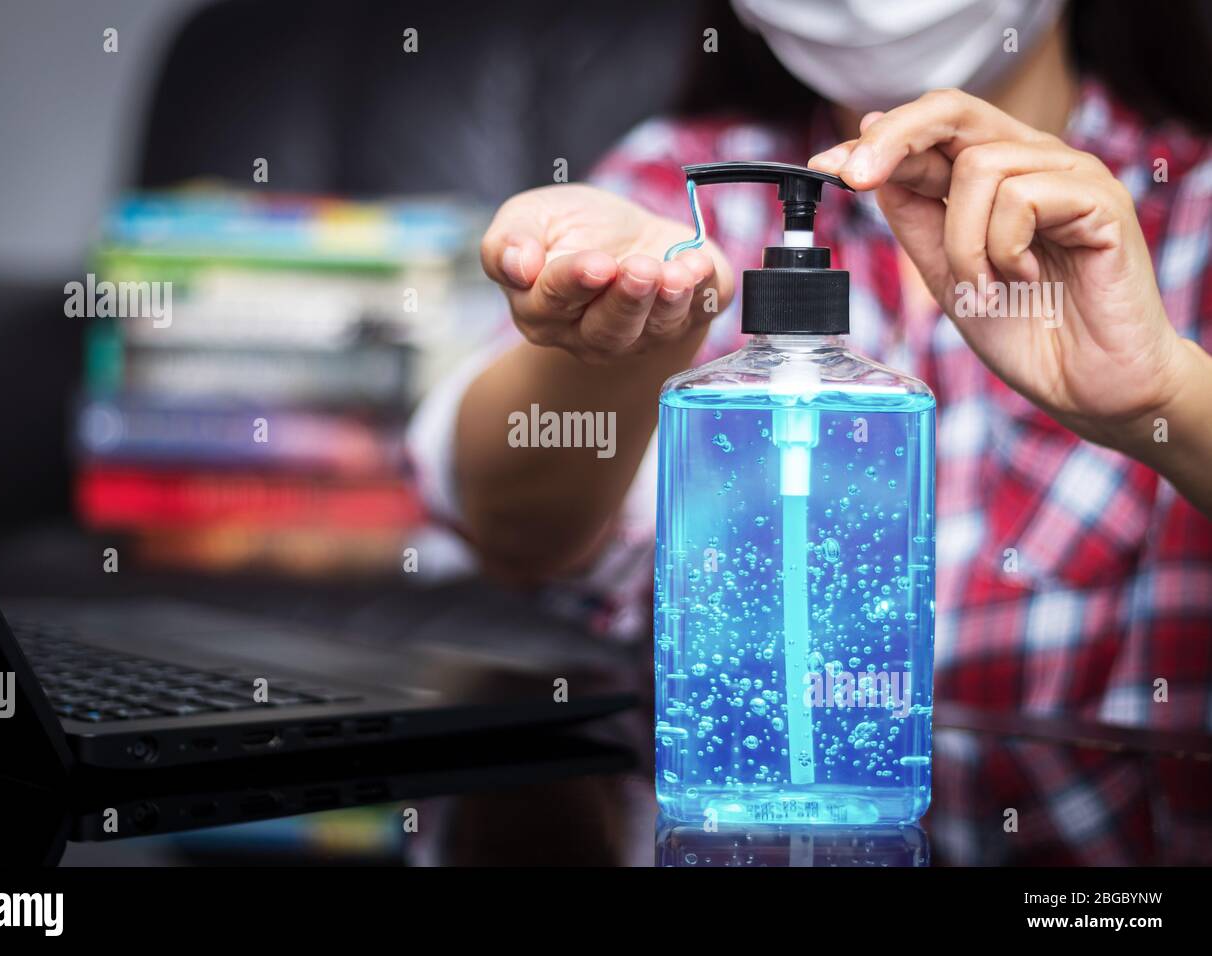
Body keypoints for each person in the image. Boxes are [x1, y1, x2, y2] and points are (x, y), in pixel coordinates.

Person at [408, 0, 1212, 863]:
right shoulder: (682, 191)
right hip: (720, 828)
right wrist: (623, 327)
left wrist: (1163, 393)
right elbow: (508, 521)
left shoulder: (1188, 205)